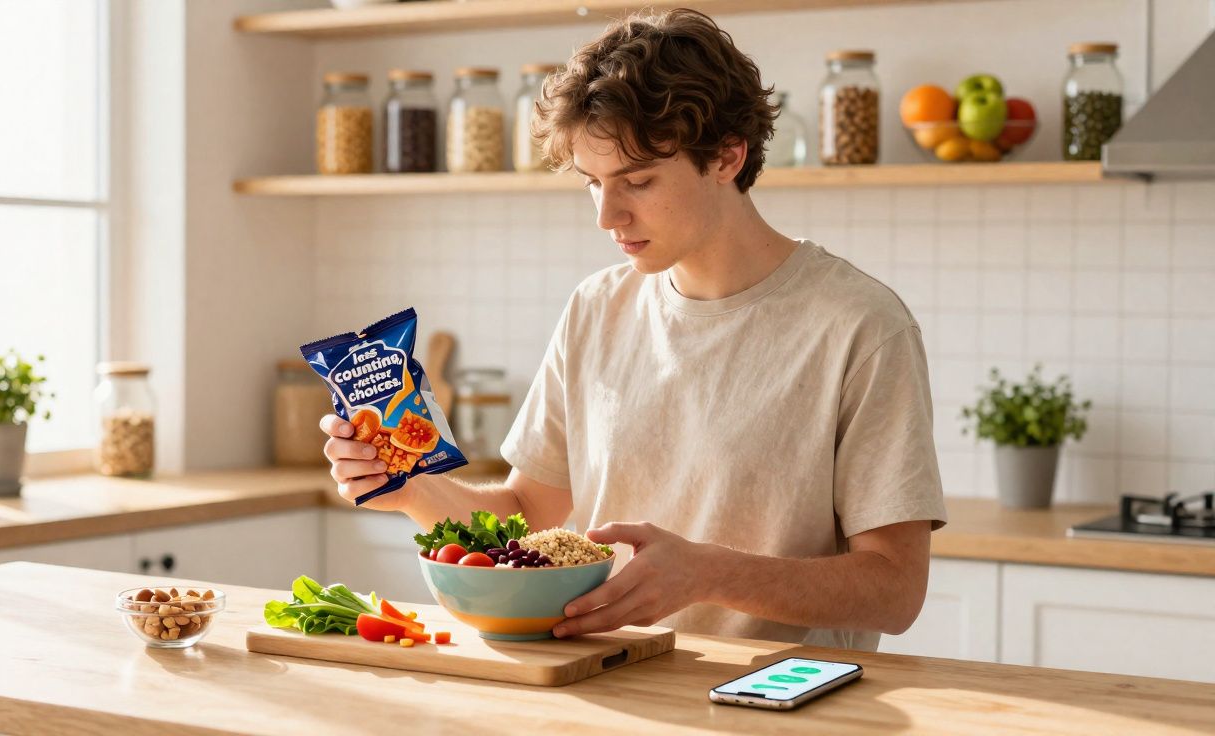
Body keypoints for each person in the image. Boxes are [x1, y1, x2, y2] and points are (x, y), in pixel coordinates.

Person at [321, 8, 946, 651]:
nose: (606, 215)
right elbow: (525, 515)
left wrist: (706, 574)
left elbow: (895, 591)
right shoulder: (596, 309)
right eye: (592, 183)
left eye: (638, 181)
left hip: (776, 703)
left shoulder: (861, 326)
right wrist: (411, 490)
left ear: (728, 156)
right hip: (605, 687)